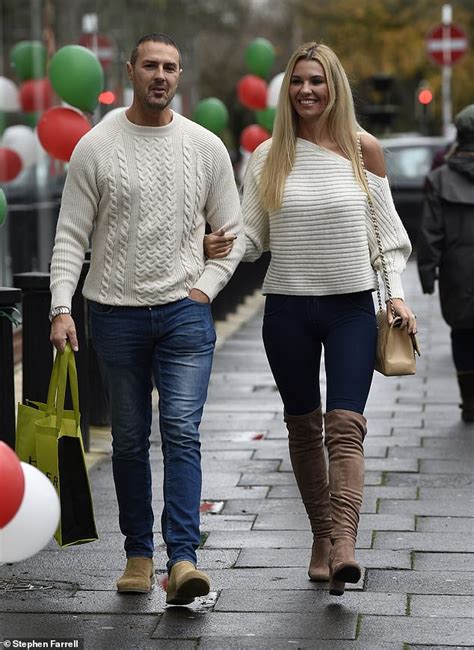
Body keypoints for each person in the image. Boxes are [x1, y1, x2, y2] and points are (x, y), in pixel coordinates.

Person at [205, 42, 416, 596]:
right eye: (297, 81)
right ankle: (321, 537)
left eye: (317, 81)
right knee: (304, 427)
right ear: (287, 90)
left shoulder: (363, 151)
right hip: (288, 311)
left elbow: (387, 240)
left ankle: (344, 546)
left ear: (334, 87)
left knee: (345, 428)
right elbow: (251, 237)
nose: (306, 90)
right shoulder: (269, 156)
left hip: (352, 308)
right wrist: (208, 265)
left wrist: (395, 297)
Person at [49, 32, 245, 605]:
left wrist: (205, 290)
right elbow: (70, 236)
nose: (161, 75)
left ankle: (182, 560)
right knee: (131, 440)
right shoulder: (95, 146)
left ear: (179, 77)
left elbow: (231, 236)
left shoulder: (205, 147)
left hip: (185, 314)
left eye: (171, 67)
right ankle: (139, 553)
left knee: (181, 433)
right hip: (114, 314)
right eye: (151, 66)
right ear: (129, 70)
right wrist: (62, 305)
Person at [418, 104, 474, 423]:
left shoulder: (440, 180)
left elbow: (431, 232)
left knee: (463, 333)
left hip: (457, 273)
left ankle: (469, 401)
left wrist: (428, 273)